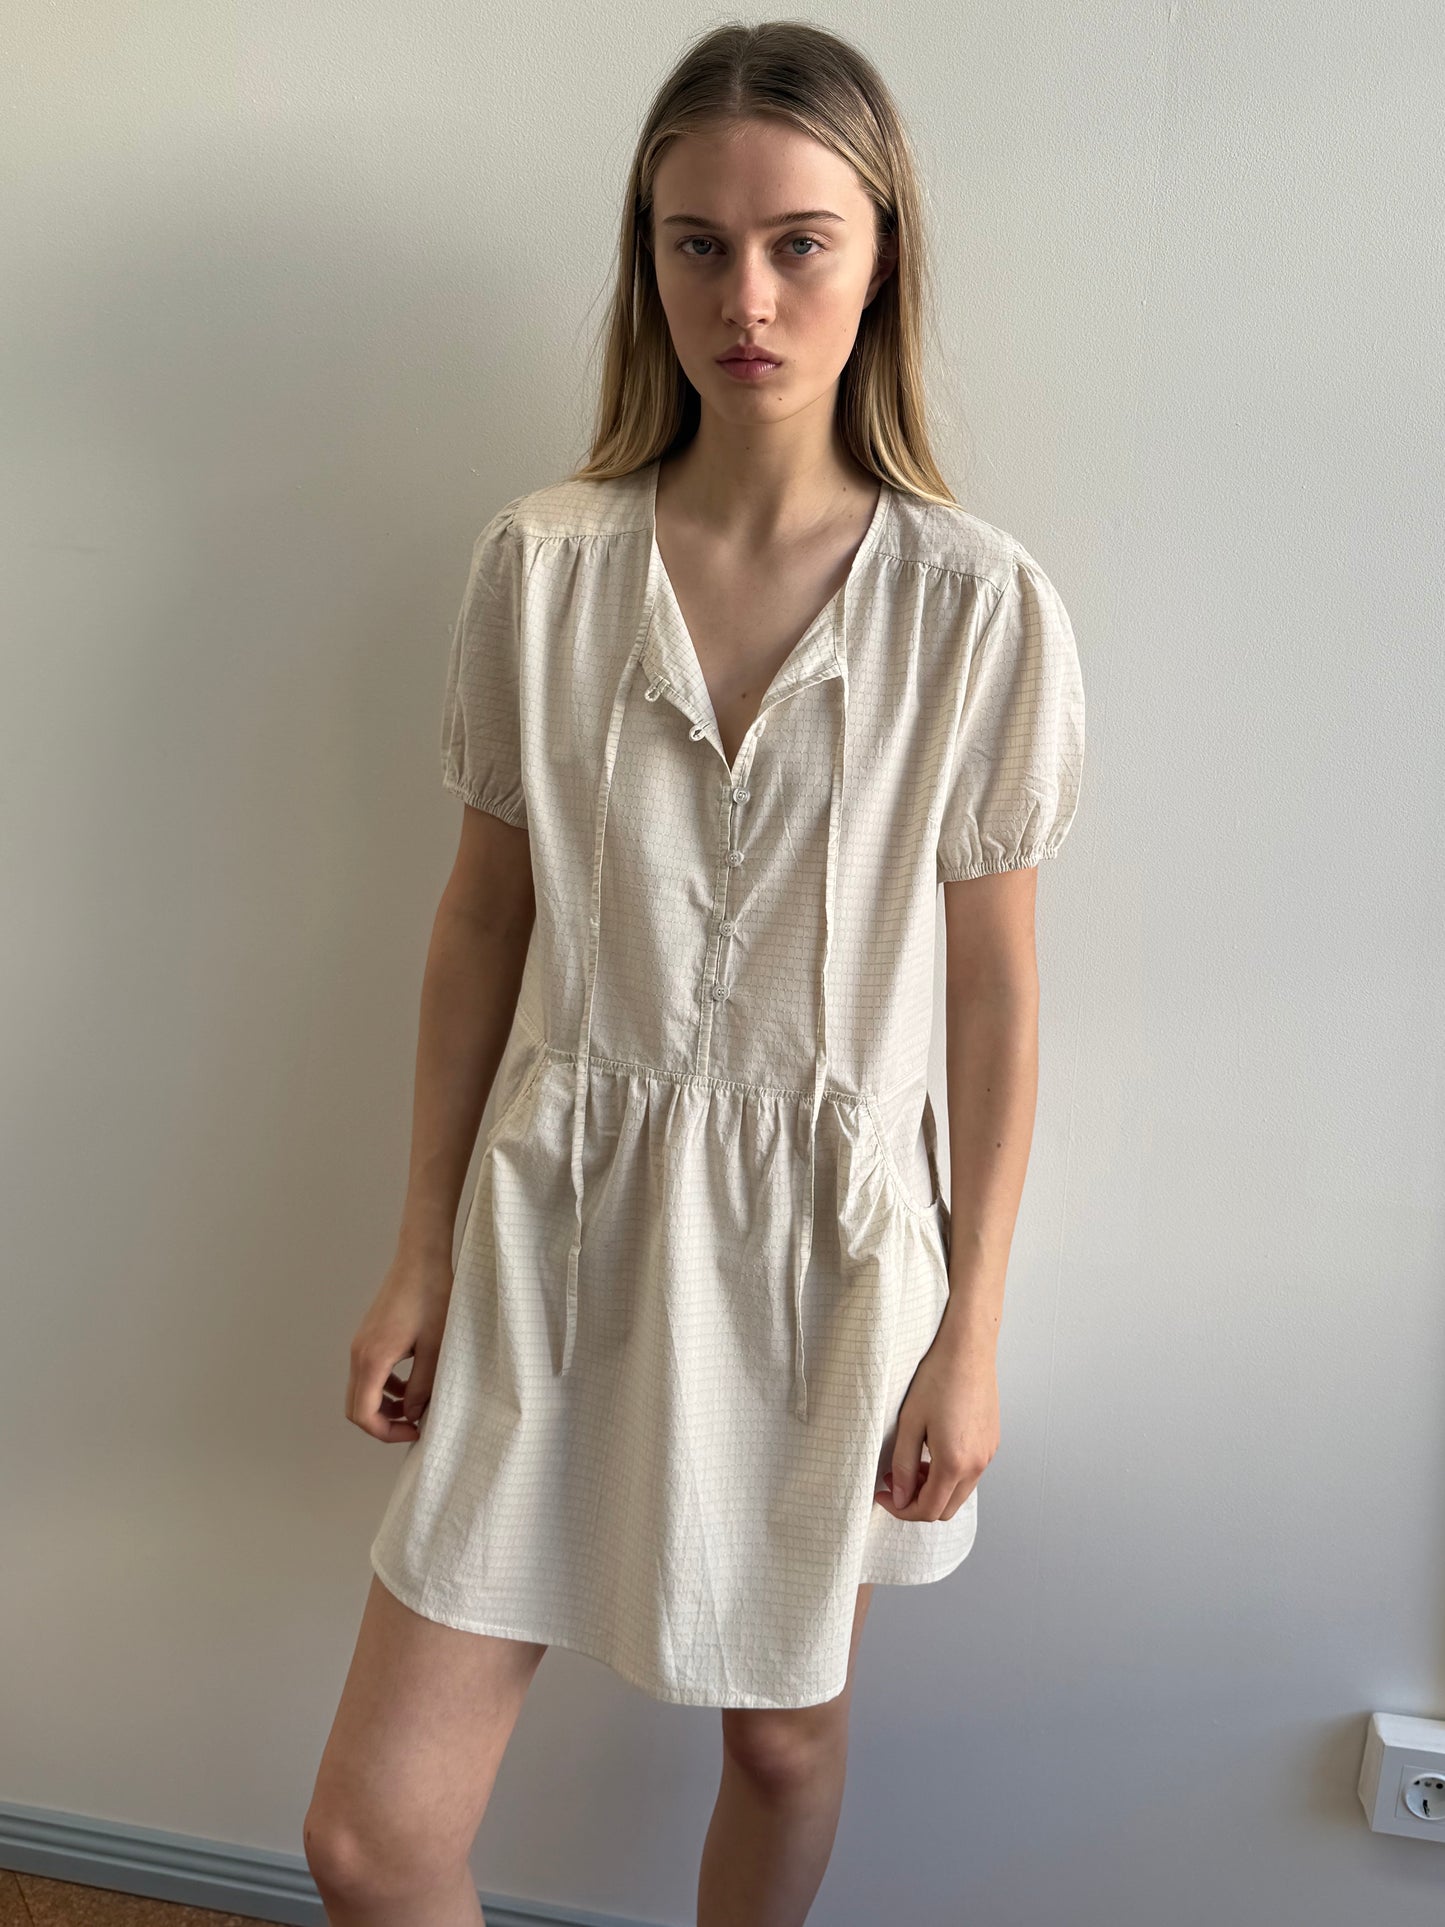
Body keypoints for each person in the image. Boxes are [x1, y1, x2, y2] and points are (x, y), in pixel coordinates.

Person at [305, 19, 1084, 1926]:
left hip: (825, 1259)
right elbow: (484, 920)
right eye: (694, 243)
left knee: (781, 1744)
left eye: (799, 239)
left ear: (882, 251)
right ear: (643, 260)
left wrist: (968, 1329)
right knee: (371, 1838)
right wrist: (416, 1249)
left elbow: (990, 1005)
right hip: (551, 1228)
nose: (744, 294)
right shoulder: (542, 568)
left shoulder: (972, 606)